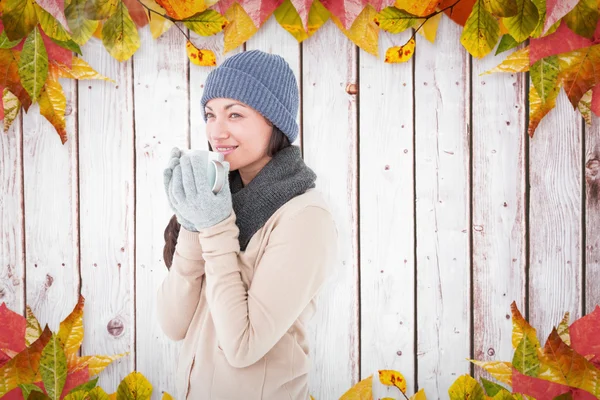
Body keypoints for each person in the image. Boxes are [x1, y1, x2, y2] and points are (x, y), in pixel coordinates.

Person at [157, 50, 338, 400]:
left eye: (235, 114)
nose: (216, 130)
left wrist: (214, 224)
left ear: (275, 123)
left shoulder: (305, 218)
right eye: (210, 114)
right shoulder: (218, 200)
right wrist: (193, 221)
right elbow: (173, 324)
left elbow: (242, 346)